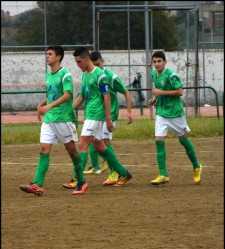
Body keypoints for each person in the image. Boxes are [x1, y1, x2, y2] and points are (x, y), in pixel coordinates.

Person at [63, 47, 132, 193]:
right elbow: (81, 96)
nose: (78, 65)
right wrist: (68, 110)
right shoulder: (85, 76)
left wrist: (108, 118)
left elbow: (106, 97)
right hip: (90, 114)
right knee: (100, 147)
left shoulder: (100, 75)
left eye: (79, 62)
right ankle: (124, 173)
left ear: (87, 59)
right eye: (76, 62)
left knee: (82, 145)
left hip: (97, 115)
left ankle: (79, 181)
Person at [19, 45, 87, 195]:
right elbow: (52, 94)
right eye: (46, 54)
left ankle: (81, 181)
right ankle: (38, 184)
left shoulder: (65, 74)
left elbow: (67, 95)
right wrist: (42, 104)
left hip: (63, 119)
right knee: (44, 149)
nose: (46, 56)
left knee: (72, 151)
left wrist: (48, 106)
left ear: (58, 57)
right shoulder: (49, 75)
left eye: (50, 54)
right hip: (50, 119)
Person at [148, 50, 202, 185]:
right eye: (154, 62)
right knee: (159, 140)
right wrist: (154, 98)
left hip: (175, 113)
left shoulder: (171, 75)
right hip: (161, 112)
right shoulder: (154, 74)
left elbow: (179, 91)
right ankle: (163, 174)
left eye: (159, 61)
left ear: (165, 62)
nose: (156, 64)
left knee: (183, 139)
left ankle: (196, 165)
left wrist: (160, 92)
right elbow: (159, 91)